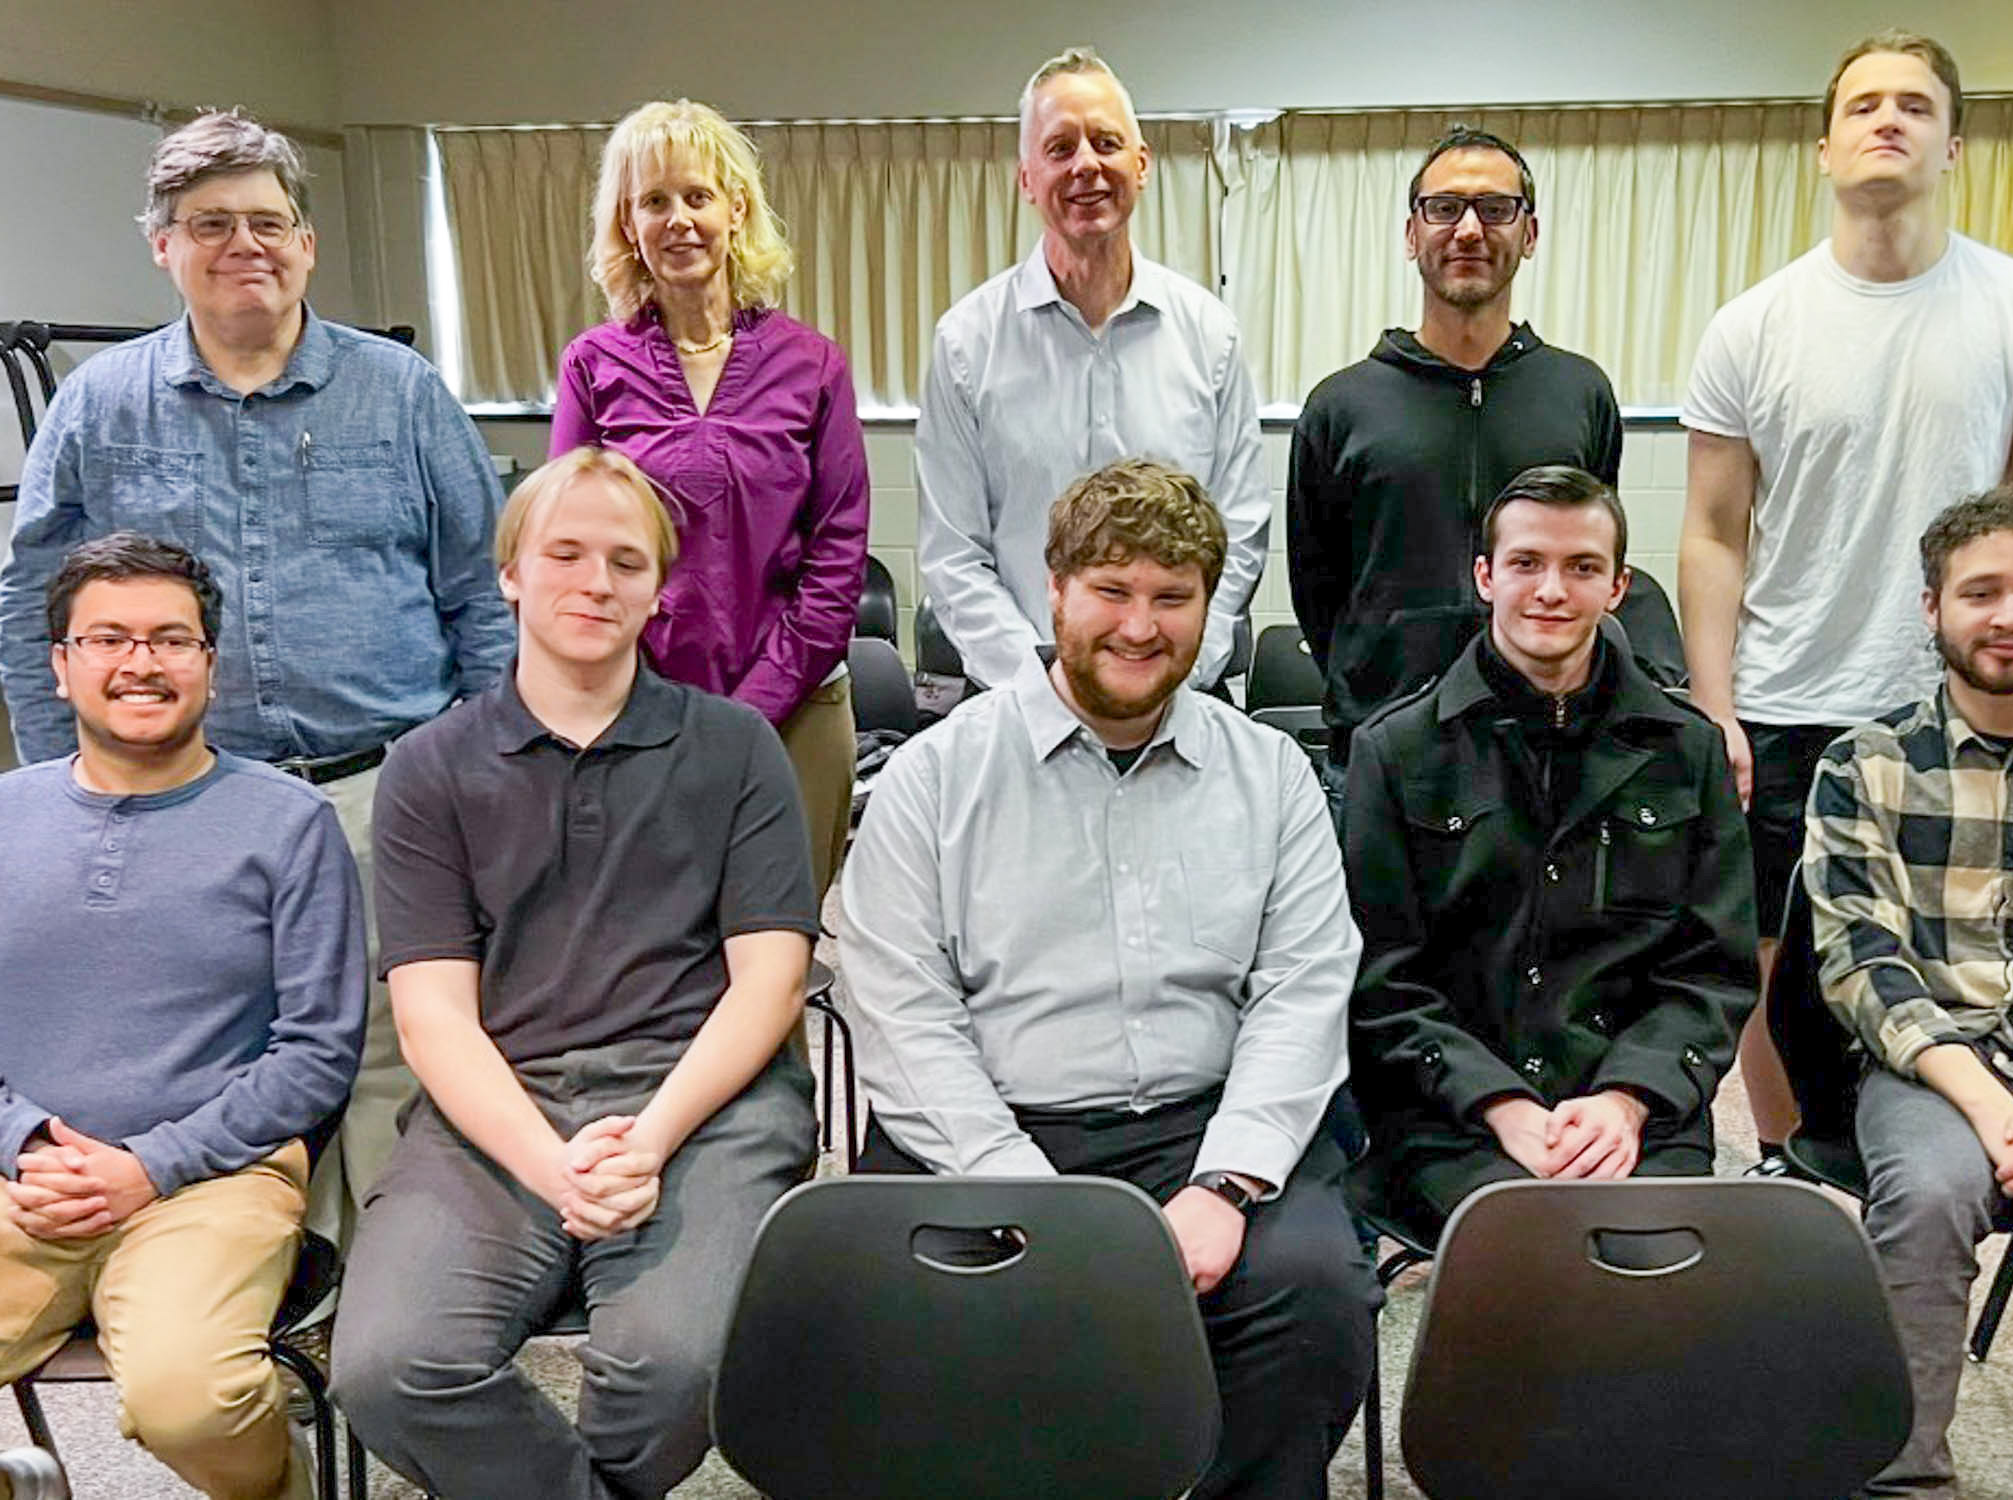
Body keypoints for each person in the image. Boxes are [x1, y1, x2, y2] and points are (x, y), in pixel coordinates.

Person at [0, 108, 514, 1239]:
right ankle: (219, 1281)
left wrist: (488, 776)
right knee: (215, 1050)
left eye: (270, 222)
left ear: (309, 242)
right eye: (211, 224)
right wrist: (65, 784)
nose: (247, 245)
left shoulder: (402, 393)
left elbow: (481, 593)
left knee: (394, 1054)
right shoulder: (99, 404)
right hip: (190, 799)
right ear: (163, 246)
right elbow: (31, 600)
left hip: (385, 788)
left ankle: (375, 1288)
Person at [840, 457, 1379, 1499]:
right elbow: (900, 1009)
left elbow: (1304, 992)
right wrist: (1029, 1191)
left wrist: (1227, 1183)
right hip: (986, 1136)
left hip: (1205, 1131)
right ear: (1056, 591)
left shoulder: (1269, 777)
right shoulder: (935, 777)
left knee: (1315, 1297)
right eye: (1113, 592)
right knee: (910, 1334)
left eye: (1173, 598)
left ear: (1209, 610)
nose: (1141, 627)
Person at [330, 447, 818, 1499]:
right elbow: (433, 1022)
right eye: (565, 554)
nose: (595, 582)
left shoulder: (736, 749)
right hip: (501, 1111)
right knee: (384, 1367)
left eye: (625, 562)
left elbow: (771, 986)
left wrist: (645, 1142)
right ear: (510, 572)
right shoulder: (428, 769)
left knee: (674, 1369)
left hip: (705, 1109)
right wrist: (559, 1172)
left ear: (659, 589)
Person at [1678, 30, 2013, 1161]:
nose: (1888, 120)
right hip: (1787, 694)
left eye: (1915, 105)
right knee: (1777, 959)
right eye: (1864, 103)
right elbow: (1714, 536)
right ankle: (1791, 1161)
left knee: (1943, 954)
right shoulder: (1750, 327)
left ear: (1954, 143)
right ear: (1823, 145)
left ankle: (1958, 1154)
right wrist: (1714, 703)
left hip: (1964, 709)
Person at [0, 533, 365, 1500]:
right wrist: (25, 1140)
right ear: (61, 664)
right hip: (23, 1179)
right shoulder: (4, 817)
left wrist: (149, 1166)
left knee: (189, 1398)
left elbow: (318, 1053)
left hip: (217, 1180)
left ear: (210, 661)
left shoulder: (288, 822)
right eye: (108, 638)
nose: (140, 663)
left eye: (171, 639)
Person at [1345, 466, 1755, 1231]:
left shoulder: (1688, 753)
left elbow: (1713, 973)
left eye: (1582, 568)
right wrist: (1499, 1105)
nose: (1552, 591)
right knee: (1524, 1258)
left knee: (1660, 1273)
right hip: (1455, 1113)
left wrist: (1625, 1102)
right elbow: (1383, 980)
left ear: (1618, 587)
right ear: (1484, 577)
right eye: (1526, 563)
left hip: (1639, 1109)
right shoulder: (1397, 752)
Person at [1805, 487, 2013, 1497]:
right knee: (1927, 1194)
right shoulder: (1863, 765)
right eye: (1981, 592)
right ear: (1932, 609)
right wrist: (2009, 1119)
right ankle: (1903, 1477)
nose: (2009, 616)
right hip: (1936, 1075)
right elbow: (1862, 963)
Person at [550, 98, 870, 900]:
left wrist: (750, 709)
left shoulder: (814, 365)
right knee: (657, 951)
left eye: (697, 196)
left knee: (775, 953)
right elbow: (573, 549)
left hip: (795, 715)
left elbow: (838, 557)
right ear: (627, 223)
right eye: (654, 201)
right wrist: (649, 704)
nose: (679, 220)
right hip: (636, 717)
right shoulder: (592, 367)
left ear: (737, 209)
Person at [915, 47, 1268, 694]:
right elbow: (953, 553)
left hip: (1177, 693)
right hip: (1018, 698)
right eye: (1059, 148)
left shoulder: (1210, 336)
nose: (1086, 166)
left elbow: (1239, 535)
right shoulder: (966, 344)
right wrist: (1043, 690)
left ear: (1141, 164)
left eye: (1106, 142)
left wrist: (1173, 673)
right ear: (1026, 178)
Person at [1289, 126, 1621, 796]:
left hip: (1546, 755)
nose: (1469, 229)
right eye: (1444, 208)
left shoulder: (1580, 394)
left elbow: (1590, 562)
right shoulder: (1340, 405)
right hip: (1379, 761)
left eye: (1496, 209)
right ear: (1412, 234)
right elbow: (1317, 590)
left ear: (1529, 234)